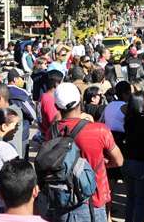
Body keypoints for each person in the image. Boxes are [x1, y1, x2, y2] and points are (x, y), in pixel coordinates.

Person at [46, 82, 124, 222]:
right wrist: (101, 164)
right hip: (93, 202)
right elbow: (119, 161)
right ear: (80, 101)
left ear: (57, 107)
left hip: (63, 200)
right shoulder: (99, 130)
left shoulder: (52, 131)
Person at [123, 91, 144, 222]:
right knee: (141, 201)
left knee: (130, 198)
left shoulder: (128, 119)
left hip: (129, 161)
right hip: (143, 162)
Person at [7, 69, 36, 160]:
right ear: (15, 79)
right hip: (21, 131)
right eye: (20, 78)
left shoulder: (0, 90)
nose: (22, 80)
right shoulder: (22, 93)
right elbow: (32, 113)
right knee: (21, 159)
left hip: (3, 131)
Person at [39, 70, 63, 136]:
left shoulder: (45, 96)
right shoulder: (49, 100)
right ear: (56, 84)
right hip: (50, 137)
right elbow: (54, 123)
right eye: (62, 82)